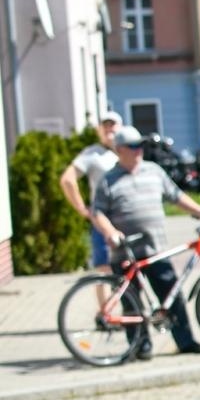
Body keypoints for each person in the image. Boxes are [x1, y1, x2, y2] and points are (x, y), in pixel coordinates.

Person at [89, 125, 200, 359]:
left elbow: (176, 196)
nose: (139, 151)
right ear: (119, 150)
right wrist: (110, 232)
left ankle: (186, 342)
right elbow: (98, 212)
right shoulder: (108, 180)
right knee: (132, 302)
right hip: (125, 252)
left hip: (155, 249)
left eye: (140, 146)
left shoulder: (153, 171)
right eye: (133, 147)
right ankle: (140, 346)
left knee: (171, 293)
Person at [60, 111, 124, 283]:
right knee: (104, 267)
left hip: (126, 216)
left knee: (128, 266)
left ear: (121, 128)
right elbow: (67, 179)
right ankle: (105, 309)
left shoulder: (127, 151)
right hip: (103, 217)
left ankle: (130, 307)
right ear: (99, 130)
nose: (109, 129)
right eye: (105, 125)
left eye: (113, 124)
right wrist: (82, 209)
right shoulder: (92, 154)